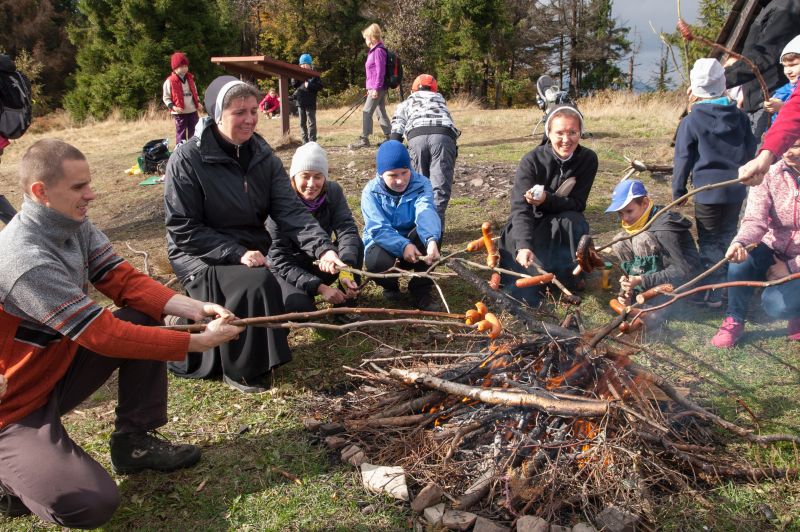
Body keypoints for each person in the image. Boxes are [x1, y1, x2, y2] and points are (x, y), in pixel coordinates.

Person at [0, 139, 243, 527]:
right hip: (13, 407)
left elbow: (119, 277)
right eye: (79, 187)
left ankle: (134, 443)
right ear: (40, 192)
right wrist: (195, 341)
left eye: (88, 184)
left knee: (142, 317)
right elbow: (102, 335)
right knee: (90, 503)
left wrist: (192, 307)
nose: (91, 195)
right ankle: (11, 475)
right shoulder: (23, 259)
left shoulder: (72, 222)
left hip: (55, 370)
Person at [164, 76, 347, 393]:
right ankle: (240, 370)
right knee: (258, 281)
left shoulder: (264, 158)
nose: (249, 119)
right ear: (218, 113)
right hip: (198, 255)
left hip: (249, 251)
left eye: (253, 110)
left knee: (263, 280)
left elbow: (291, 211)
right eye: (239, 112)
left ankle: (250, 352)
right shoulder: (187, 159)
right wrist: (235, 253)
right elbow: (182, 228)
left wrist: (323, 249)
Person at [673, 58, 756, 307]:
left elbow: (683, 158)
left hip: (706, 192)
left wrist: (679, 190)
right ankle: (729, 285)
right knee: (729, 236)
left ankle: (713, 291)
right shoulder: (740, 116)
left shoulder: (691, 121)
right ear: (723, 85)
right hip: (736, 187)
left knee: (709, 240)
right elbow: (751, 148)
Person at [497, 105, 597, 305]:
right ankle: (535, 277)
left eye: (572, 132)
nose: (566, 140)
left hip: (561, 220)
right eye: (559, 133)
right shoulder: (532, 160)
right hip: (532, 221)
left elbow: (578, 204)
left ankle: (567, 277)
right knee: (520, 268)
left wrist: (547, 200)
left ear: (580, 133)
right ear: (548, 133)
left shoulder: (588, 159)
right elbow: (520, 208)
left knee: (575, 221)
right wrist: (523, 245)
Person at [711, 138, 800, 348]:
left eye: (795, 146)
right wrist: (741, 242)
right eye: (784, 146)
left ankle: (797, 313)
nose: (787, 153)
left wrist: (791, 267)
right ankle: (734, 319)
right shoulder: (771, 173)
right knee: (741, 261)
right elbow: (755, 220)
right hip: (773, 247)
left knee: (775, 305)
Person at [267, 142, 363, 312]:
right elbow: (280, 259)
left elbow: (346, 228)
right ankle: (303, 294)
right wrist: (321, 288)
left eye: (318, 176)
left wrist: (345, 269)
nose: (311, 184)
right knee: (301, 307)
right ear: (293, 177)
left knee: (354, 245)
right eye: (305, 175)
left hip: (322, 259)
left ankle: (346, 305)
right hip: (288, 268)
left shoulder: (333, 191)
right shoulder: (278, 202)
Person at [361, 140, 441, 310]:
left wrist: (431, 240)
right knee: (376, 263)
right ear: (381, 173)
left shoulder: (421, 184)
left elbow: (425, 211)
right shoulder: (370, 192)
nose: (400, 180)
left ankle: (421, 288)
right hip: (384, 243)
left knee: (433, 236)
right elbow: (378, 229)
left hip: (414, 243)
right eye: (393, 175)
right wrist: (403, 246)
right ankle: (390, 286)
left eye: (404, 173)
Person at [606, 180, 703, 309]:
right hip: (656, 275)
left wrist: (642, 280)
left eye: (629, 211)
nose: (625, 218)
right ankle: (634, 292)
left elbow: (680, 271)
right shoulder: (644, 218)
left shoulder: (664, 230)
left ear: (645, 203)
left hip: (684, 285)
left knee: (641, 239)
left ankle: (653, 300)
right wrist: (630, 282)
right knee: (620, 241)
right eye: (620, 213)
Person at [389, 74, 460, 231]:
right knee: (439, 187)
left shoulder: (407, 101)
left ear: (413, 89)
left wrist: (393, 145)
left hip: (417, 136)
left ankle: (418, 231)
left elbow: (398, 124)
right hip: (443, 136)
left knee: (418, 185)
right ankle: (436, 231)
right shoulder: (441, 101)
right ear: (435, 89)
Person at [723, 0, 800, 140]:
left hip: (771, 100)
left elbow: (764, 57)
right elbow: (755, 51)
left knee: (762, 157)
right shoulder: (776, 4)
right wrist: (746, 90)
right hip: (757, 98)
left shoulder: (787, 8)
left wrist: (718, 79)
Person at [349, 23, 391, 149]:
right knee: (380, 112)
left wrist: (376, 89)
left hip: (377, 88)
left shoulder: (378, 51)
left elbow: (380, 71)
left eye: (366, 38)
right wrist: (370, 88)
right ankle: (391, 138)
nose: (365, 41)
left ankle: (364, 139)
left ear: (371, 37)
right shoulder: (374, 51)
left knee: (367, 111)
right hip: (375, 88)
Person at [162, 51, 203, 145]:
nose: (184, 69)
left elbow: (195, 93)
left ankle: (194, 150)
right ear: (175, 68)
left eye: (185, 66)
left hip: (192, 110)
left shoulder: (190, 79)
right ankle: (180, 152)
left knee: (195, 132)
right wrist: (174, 107)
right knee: (181, 134)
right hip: (180, 112)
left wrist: (198, 103)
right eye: (181, 66)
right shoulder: (170, 81)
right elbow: (166, 97)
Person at [764, 35, 800, 125]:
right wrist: (771, 105)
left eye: (793, 65)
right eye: (785, 66)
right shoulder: (786, 89)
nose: (788, 71)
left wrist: (783, 108)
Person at [292, 54, 323, 144]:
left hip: (310, 102)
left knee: (311, 123)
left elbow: (320, 86)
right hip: (300, 101)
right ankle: (304, 141)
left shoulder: (314, 74)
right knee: (302, 123)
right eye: (302, 64)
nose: (304, 66)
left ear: (310, 64)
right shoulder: (297, 73)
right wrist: (296, 75)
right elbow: (294, 84)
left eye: (306, 64)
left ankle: (312, 141)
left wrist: (309, 85)